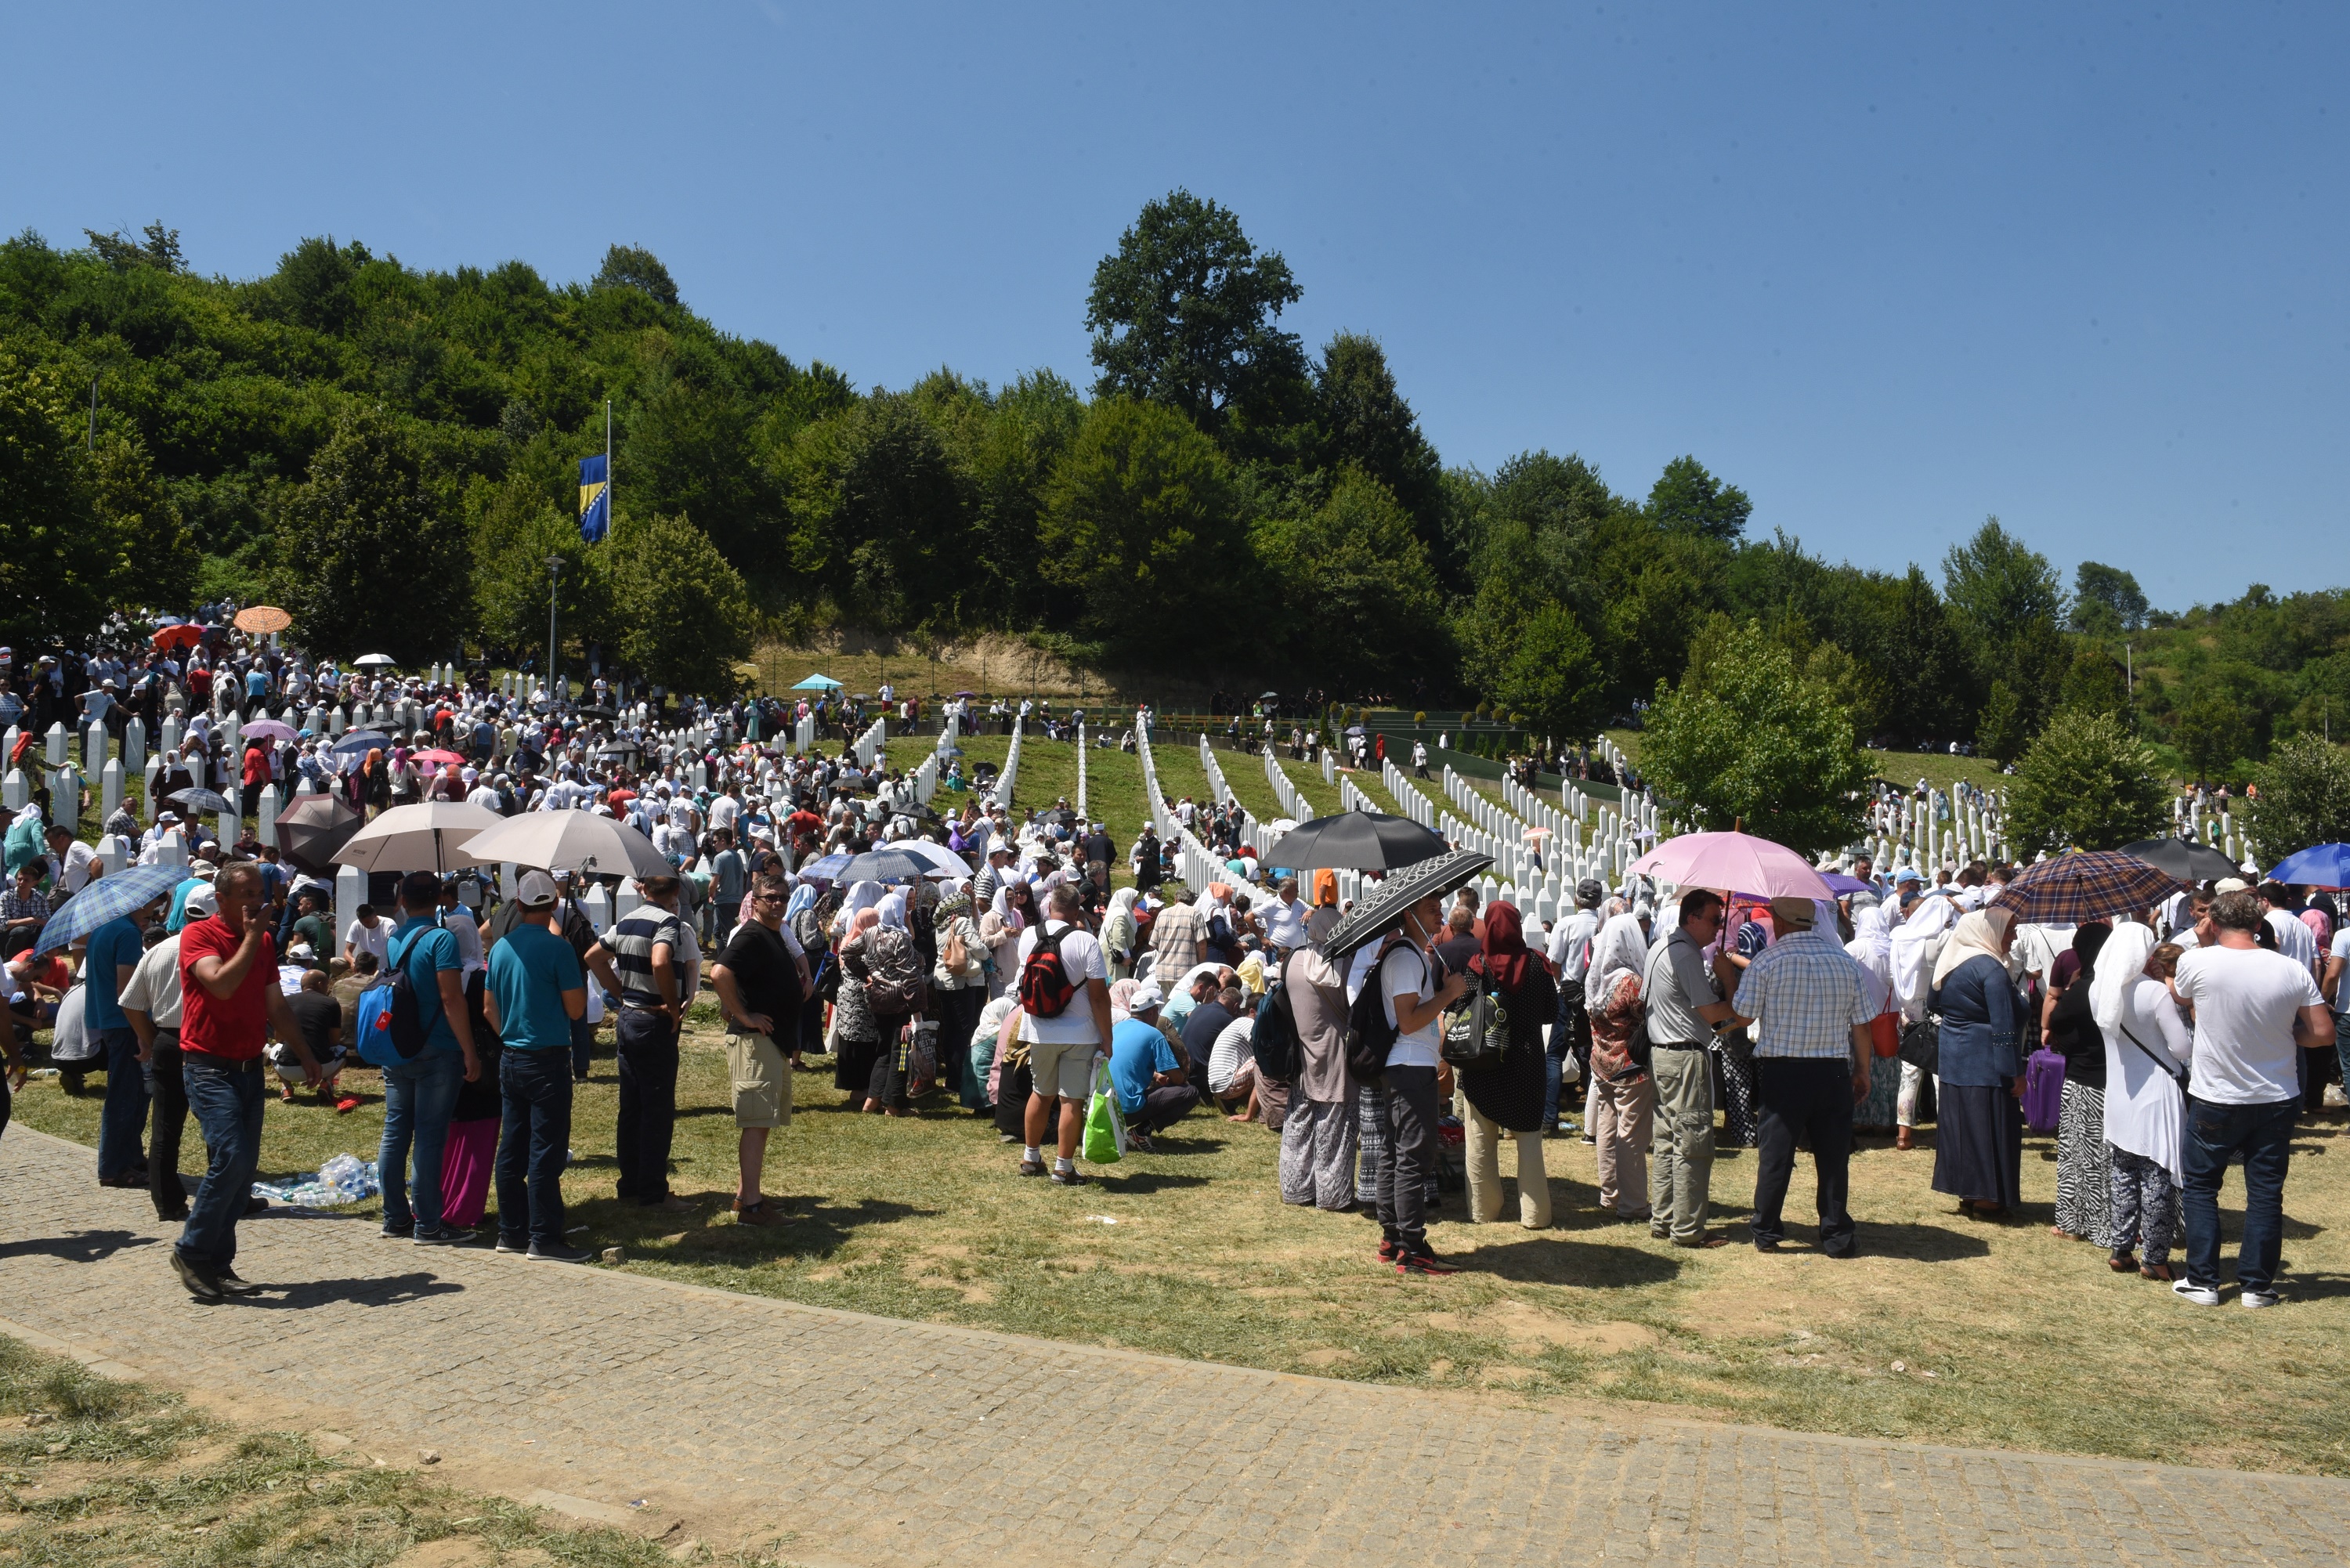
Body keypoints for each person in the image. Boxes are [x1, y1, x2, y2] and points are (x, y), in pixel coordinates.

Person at [2168, 888, 2334, 1308]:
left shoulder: (2197, 961)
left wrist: (2203, 942)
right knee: (2265, 1191)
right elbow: (2321, 1033)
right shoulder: (2289, 968)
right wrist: (2284, 1034)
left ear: (2213, 923)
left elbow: (2182, 996)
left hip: (2216, 1094)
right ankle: (2257, 1286)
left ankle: (2203, 1280)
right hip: (2275, 1094)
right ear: (2260, 924)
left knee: (2202, 1186)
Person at [172, 862, 323, 1302]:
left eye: (261, 893)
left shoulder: (264, 941)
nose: (258, 902)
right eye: (247, 895)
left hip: (248, 1069)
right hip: (208, 1067)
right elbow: (219, 984)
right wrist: (254, 938)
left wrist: (306, 1053)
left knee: (240, 1173)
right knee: (232, 1158)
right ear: (221, 900)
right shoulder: (198, 936)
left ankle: (218, 1264)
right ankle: (191, 1251)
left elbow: (275, 1007)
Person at [1730, 898, 1874, 1257]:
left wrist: (1724, 971)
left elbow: (1744, 1016)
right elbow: (1861, 1024)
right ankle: (1837, 1234)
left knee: (1775, 1156)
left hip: (1784, 1073)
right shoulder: (1844, 961)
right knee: (1833, 1157)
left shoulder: (1767, 961)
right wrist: (1863, 1070)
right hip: (1831, 1071)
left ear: (1778, 922)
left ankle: (1766, 1229)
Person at [1356, 889, 1467, 1275]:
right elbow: (1408, 1021)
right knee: (1413, 1157)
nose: (1440, 914)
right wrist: (1448, 994)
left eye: (1439, 906)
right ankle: (1412, 1247)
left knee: (1396, 1152)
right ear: (1409, 914)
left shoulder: (1413, 955)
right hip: (1409, 1065)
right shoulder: (1405, 957)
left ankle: (1393, 1237)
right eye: (1430, 908)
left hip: (1407, 1065)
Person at [483, 869, 592, 1261]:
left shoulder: (500, 947)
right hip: (547, 1059)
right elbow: (576, 1009)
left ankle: (511, 1231)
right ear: (555, 903)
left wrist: (513, 1034)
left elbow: (489, 1008)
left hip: (512, 1056)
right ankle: (544, 1237)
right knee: (546, 1150)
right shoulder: (558, 949)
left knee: (512, 1148)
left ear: (518, 903)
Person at [378, 869, 483, 1244]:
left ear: (403, 901)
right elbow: (451, 998)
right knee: (429, 1136)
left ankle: (395, 1217)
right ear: (439, 898)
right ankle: (428, 1223)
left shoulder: (393, 939)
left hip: (398, 1046)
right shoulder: (442, 939)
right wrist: (470, 1050)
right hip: (438, 1047)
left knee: (395, 1131)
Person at [2092, 922, 2193, 1281]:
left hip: (2119, 1094)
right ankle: (2155, 1258)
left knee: (2122, 1173)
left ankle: (2121, 1249)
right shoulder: (2154, 992)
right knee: (2157, 1177)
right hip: (2156, 1093)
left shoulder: (2097, 990)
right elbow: (2181, 1048)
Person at [710, 871, 812, 1227]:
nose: (778, 903)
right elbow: (719, 973)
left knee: (763, 1121)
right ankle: (751, 1209)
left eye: (783, 897)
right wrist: (744, 1015)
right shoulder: (751, 934)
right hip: (754, 1042)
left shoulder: (773, 932)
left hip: (771, 1042)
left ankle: (745, 1195)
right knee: (755, 1123)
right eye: (771, 897)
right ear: (755, 902)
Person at [588, 873, 693, 1212]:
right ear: (675, 892)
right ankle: (653, 1191)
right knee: (657, 1109)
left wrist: (621, 993)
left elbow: (593, 957)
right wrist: (672, 1006)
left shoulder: (627, 920)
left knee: (631, 1106)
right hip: (653, 1021)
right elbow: (660, 960)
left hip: (629, 1018)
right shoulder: (667, 922)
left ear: (644, 889)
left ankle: (630, 1184)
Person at [1455, 901, 1556, 1230]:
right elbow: (1550, 1013)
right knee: (1529, 1142)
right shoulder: (1538, 964)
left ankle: (1482, 1210)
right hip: (1527, 1062)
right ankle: (1535, 1214)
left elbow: (1464, 1008)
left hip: (1485, 1062)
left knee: (1480, 1140)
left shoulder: (1478, 965)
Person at [1643, 889, 1734, 1247]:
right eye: (1714, 920)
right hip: (1684, 1058)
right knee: (1692, 1144)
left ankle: (1664, 1220)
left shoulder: (1660, 947)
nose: (1718, 928)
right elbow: (1711, 1013)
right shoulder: (1685, 954)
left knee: (1667, 1141)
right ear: (1692, 918)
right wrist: (1729, 979)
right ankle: (1687, 1229)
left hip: (1663, 1055)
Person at [121, 882, 212, 1223]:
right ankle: (228, 1196)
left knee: (165, 1125)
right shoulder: (217, 951)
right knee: (219, 1123)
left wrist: (148, 1038)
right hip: (204, 1041)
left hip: (167, 1039)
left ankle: (167, 1202)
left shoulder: (159, 950)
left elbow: (130, 1002)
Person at [1928, 906, 2025, 1219]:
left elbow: (1934, 1002)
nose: (2013, 937)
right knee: (1987, 1127)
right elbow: (2004, 1027)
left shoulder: (1952, 962)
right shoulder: (1991, 970)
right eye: (2009, 930)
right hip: (1986, 1063)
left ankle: (1970, 1192)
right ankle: (1988, 1199)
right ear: (1989, 931)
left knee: (1963, 1126)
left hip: (1954, 1058)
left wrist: (1963, 1022)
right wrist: (2014, 1072)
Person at [2042, 923, 2114, 1247]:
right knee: (2110, 1157)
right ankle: (2112, 1221)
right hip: (2117, 1083)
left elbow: (2057, 1019)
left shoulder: (2086, 988)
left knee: (2079, 1157)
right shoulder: (2123, 985)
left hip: (2084, 1083)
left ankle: (2075, 1222)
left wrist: (2073, 985)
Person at [89, 886, 163, 1189]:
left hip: (111, 1020)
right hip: (124, 1023)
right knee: (125, 1095)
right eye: (153, 898)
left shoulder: (105, 927)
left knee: (134, 1094)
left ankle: (130, 1157)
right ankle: (114, 1167)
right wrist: (144, 1034)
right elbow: (126, 991)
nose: (156, 904)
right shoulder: (128, 932)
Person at [1584, 911, 1655, 1223]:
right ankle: (1634, 1204)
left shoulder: (1594, 977)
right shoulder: (1631, 982)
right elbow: (1649, 1016)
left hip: (1601, 1061)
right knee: (1631, 1136)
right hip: (1630, 1067)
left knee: (1607, 1126)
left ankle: (1610, 1193)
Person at [1278, 941, 1357, 1210]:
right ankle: (1333, 1196)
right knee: (1334, 1127)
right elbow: (1353, 1005)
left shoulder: (1293, 961)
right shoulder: (1344, 964)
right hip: (1335, 1054)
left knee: (1298, 1124)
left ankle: (1295, 1189)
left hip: (1302, 1053)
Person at [1106, 979, 1196, 1151]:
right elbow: (1177, 1078)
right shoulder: (1154, 1035)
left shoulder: (1117, 1028)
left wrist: (1155, 1076)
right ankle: (1141, 1132)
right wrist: (1169, 1081)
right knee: (1190, 1092)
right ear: (1151, 1013)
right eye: (1157, 1011)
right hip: (1128, 1109)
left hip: (1106, 1105)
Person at [1543, 878, 1602, 1135]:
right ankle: (1596, 1119)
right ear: (1599, 902)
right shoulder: (1604, 925)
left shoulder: (1565, 925)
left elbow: (1554, 962)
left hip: (1568, 996)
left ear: (1576, 899)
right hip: (1595, 997)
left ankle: (1549, 1117)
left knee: (1555, 1055)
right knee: (1592, 1054)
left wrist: (1561, 983)